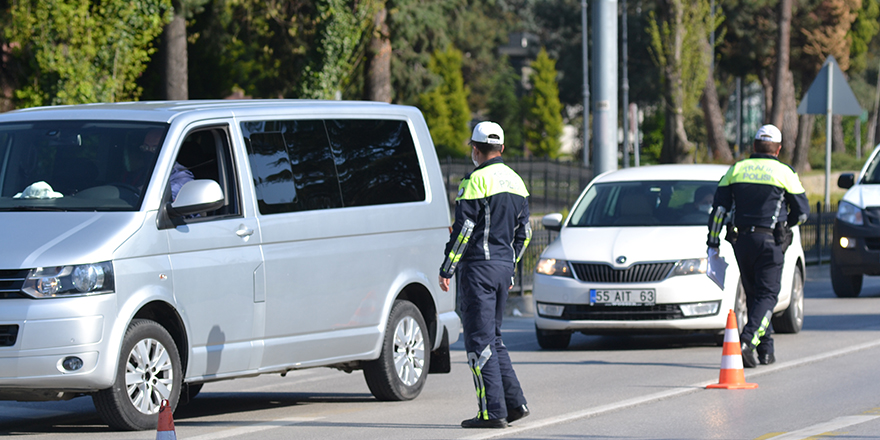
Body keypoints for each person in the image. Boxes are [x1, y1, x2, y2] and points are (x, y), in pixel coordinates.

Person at [438, 121, 531, 429]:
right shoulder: (517, 182)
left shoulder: (474, 181)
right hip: (504, 270)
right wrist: (511, 264)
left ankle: (492, 412)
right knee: (495, 340)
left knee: (479, 343)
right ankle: (514, 404)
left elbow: (464, 229)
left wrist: (448, 267)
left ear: (475, 150)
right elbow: (526, 233)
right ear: (501, 149)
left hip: (477, 269)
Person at [706, 124, 809, 368]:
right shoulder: (784, 172)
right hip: (770, 241)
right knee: (768, 294)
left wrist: (713, 242)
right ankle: (747, 341)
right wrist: (786, 225)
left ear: (754, 146)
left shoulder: (737, 169)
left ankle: (766, 351)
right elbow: (803, 213)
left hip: (741, 242)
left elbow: (719, 210)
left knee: (754, 293)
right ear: (779, 149)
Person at [125, 129, 193, 201]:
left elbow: (164, 202)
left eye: (155, 148)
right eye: (145, 147)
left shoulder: (181, 177)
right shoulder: (141, 172)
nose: (149, 152)